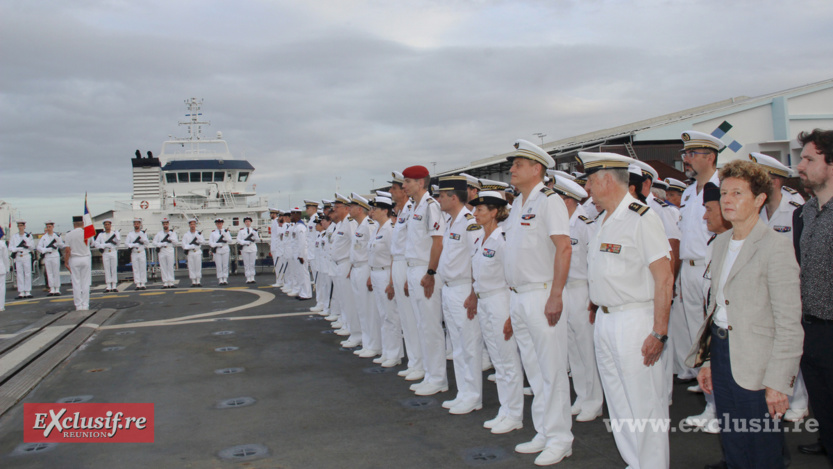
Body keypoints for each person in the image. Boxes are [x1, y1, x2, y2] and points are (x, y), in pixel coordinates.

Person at [688, 160, 802, 469]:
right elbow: (717, 310)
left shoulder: (775, 247)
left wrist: (778, 383)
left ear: (759, 199)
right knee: (733, 442)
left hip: (759, 364)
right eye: (724, 193)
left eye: (737, 193)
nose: (727, 200)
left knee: (763, 449)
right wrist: (709, 361)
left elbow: (789, 325)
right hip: (723, 353)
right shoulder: (721, 243)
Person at [579, 151, 673, 469]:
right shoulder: (603, 220)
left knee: (645, 405)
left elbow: (664, 278)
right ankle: (636, 462)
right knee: (619, 403)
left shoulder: (641, 217)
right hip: (606, 320)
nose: (587, 188)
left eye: (591, 181)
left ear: (608, 179)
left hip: (635, 321)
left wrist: (659, 332)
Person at [502, 139, 573, 466]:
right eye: (513, 164)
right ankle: (545, 431)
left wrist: (556, 294)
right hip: (519, 296)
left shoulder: (549, 201)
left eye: (518, 164)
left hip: (542, 293)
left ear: (536, 169)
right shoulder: (518, 203)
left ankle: (560, 439)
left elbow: (564, 248)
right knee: (535, 369)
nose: (512, 169)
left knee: (552, 370)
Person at [749, 151, 810, 423]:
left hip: (789, 285)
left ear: (774, 181)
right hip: (762, 285)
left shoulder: (796, 207)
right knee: (770, 344)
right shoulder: (757, 208)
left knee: (790, 343)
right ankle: (775, 395)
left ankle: (799, 401)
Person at [466, 189, 525, 434]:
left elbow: (512, 278)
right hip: (485, 302)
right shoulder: (480, 239)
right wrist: (474, 297)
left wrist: (511, 314)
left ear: (493, 212)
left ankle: (515, 414)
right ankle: (505, 409)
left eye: (480, 209)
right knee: (498, 361)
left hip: (501, 301)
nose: (475, 213)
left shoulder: (503, 239)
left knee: (508, 360)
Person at [549, 175, 605, 423]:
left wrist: (594, 298)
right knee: (572, 347)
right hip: (565, 289)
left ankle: (594, 400)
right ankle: (582, 395)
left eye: (558, 197)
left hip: (582, 290)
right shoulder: (561, 224)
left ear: (568, 200)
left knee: (586, 348)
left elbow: (595, 262)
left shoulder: (584, 224)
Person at [794, 129, 833, 463]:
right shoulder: (805, 212)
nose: (800, 166)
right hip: (811, 330)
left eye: (809, 159)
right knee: (823, 408)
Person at [676, 131, 725, 382]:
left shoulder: (724, 187)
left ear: (710, 157)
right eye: (686, 153)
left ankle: (719, 392)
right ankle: (705, 389)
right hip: (689, 268)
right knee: (695, 332)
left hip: (711, 266)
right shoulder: (687, 192)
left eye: (692, 153)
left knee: (715, 331)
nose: (686, 159)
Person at [435, 175, 485, 415]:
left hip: (464, 289)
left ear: (453, 197)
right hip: (449, 288)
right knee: (457, 345)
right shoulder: (450, 221)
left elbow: (477, 259)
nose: (438, 200)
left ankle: (473, 396)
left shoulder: (469, 223)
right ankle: (463, 392)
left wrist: (474, 293)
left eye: (441, 196)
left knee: (469, 345)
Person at [683, 182, 728, 435]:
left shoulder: (733, 243)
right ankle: (713, 408)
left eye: (709, 209)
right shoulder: (714, 242)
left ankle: (724, 413)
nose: (704, 216)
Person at [402, 164, 448, 397]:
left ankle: (438, 378)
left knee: (431, 327)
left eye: (407, 181)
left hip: (425, 270)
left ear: (420, 183)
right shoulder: (414, 207)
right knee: (421, 325)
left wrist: (430, 273)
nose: (404, 185)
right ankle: (430, 375)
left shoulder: (431, 206)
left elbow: (438, 242)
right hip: (414, 268)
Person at [387, 171, 424, 381]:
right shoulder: (402, 212)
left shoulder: (411, 210)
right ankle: (414, 362)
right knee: (406, 319)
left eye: (395, 188)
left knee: (413, 318)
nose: (392, 191)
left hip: (408, 264)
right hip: (399, 264)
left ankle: (420, 364)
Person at [367, 194, 403, 367]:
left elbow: (393, 257)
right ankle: (387, 351)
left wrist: (391, 283)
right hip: (376, 273)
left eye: (375, 209)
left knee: (391, 316)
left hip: (386, 274)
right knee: (383, 315)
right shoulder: (377, 229)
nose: (372, 212)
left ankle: (395, 354)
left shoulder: (390, 230)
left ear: (385, 211)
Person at [348, 194, 381, 356]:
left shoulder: (369, 225)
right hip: (357, 269)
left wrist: (369, 275)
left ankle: (374, 345)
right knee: (361, 308)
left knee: (369, 310)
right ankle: (367, 342)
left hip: (365, 269)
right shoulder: (359, 226)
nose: (349, 209)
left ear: (360, 209)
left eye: (352, 207)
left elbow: (374, 251)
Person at [330, 194, 361, 346]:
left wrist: (351, 266)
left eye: (337, 207)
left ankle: (355, 332)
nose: (334, 210)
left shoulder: (350, 223)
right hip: (339, 265)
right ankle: (347, 325)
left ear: (345, 208)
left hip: (346, 264)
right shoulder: (341, 224)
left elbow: (356, 245)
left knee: (350, 301)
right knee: (343, 298)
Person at [63, 215, 92, 311]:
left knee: (76, 283)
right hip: (85, 258)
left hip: (74, 259)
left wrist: (66, 262)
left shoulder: (69, 234)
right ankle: (85, 305)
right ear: (83, 223)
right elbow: (91, 244)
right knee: (85, 283)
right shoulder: (87, 233)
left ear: (73, 224)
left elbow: (67, 251)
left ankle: (78, 305)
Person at [37, 220, 64, 296]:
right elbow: (39, 247)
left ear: (53, 227)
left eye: (50, 226)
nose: (48, 228)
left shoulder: (57, 236)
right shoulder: (44, 237)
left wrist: (58, 243)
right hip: (47, 256)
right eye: (47, 227)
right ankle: (51, 289)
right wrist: (46, 250)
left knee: (56, 272)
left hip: (55, 255)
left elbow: (62, 245)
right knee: (49, 273)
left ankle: (57, 289)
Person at [94, 219, 120, 292]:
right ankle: (108, 286)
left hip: (113, 251)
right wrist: (104, 245)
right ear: (104, 226)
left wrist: (118, 236)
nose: (107, 226)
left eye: (108, 224)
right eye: (106, 225)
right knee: (107, 269)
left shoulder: (114, 233)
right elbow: (96, 244)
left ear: (110, 225)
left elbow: (118, 243)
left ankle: (114, 285)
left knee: (114, 268)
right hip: (105, 252)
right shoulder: (101, 234)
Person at [10, 221, 34, 299]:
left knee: (27, 273)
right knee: (19, 274)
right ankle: (21, 292)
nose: (20, 227)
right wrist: (18, 248)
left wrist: (27, 244)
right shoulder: (14, 236)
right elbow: (10, 247)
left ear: (24, 226)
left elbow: (32, 247)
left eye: (21, 226)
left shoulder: (28, 236)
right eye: (19, 226)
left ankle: (28, 291)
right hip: (18, 256)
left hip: (26, 255)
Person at [153, 218, 178, 288]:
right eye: (164, 224)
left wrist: (171, 239)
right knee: (163, 266)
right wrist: (160, 244)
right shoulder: (159, 234)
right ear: (162, 225)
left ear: (168, 224)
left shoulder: (172, 233)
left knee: (170, 266)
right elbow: (154, 242)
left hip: (169, 249)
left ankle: (171, 282)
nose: (165, 225)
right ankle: (165, 282)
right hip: (162, 250)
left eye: (166, 224)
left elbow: (176, 242)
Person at [125, 218, 148, 290]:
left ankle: (143, 283)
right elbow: (126, 244)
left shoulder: (143, 234)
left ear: (140, 224)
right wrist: (133, 245)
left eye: (138, 223)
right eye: (135, 223)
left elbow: (147, 243)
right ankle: (138, 284)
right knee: (136, 268)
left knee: (142, 268)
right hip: (134, 252)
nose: (136, 225)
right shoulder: (130, 234)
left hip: (141, 252)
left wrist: (142, 240)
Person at [181, 218, 205, 287]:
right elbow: (183, 245)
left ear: (195, 225)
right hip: (190, 252)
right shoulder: (186, 235)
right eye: (191, 224)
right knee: (191, 267)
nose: (192, 226)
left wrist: (199, 240)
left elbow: (203, 242)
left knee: (198, 266)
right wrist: (191, 246)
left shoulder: (199, 234)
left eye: (194, 224)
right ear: (189, 225)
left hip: (197, 252)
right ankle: (193, 281)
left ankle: (198, 281)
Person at [237, 216, 260, 284]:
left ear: (251, 222)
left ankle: (252, 277)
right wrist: (245, 242)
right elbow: (238, 240)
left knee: (252, 263)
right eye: (246, 221)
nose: (247, 223)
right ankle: (248, 278)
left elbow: (257, 240)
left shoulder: (254, 231)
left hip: (252, 248)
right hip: (245, 248)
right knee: (246, 264)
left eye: (249, 221)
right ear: (244, 223)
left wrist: (255, 235)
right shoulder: (241, 231)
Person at [209, 218, 232, 285]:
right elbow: (210, 242)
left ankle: (225, 278)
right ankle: (220, 279)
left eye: (220, 223)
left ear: (222, 224)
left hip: (225, 249)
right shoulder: (213, 233)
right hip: (217, 250)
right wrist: (216, 244)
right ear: (216, 224)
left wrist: (225, 235)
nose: (219, 225)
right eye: (218, 223)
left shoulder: (226, 232)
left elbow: (230, 240)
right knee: (219, 265)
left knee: (225, 265)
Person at [268, 208, 283, 287]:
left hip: (277, 247)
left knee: (278, 265)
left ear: (274, 214)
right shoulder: (274, 222)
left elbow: (278, 233)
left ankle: (280, 281)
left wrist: (277, 246)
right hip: (275, 246)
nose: (270, 215)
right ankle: (279, 280)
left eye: (271, 213)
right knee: (277, 265)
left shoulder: (277, 222)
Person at [0, 232, 8, 311]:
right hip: (1, 267)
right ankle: (1, 305)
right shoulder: (2, 244)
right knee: (1, 287)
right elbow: (5, 257)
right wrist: (7, 268)